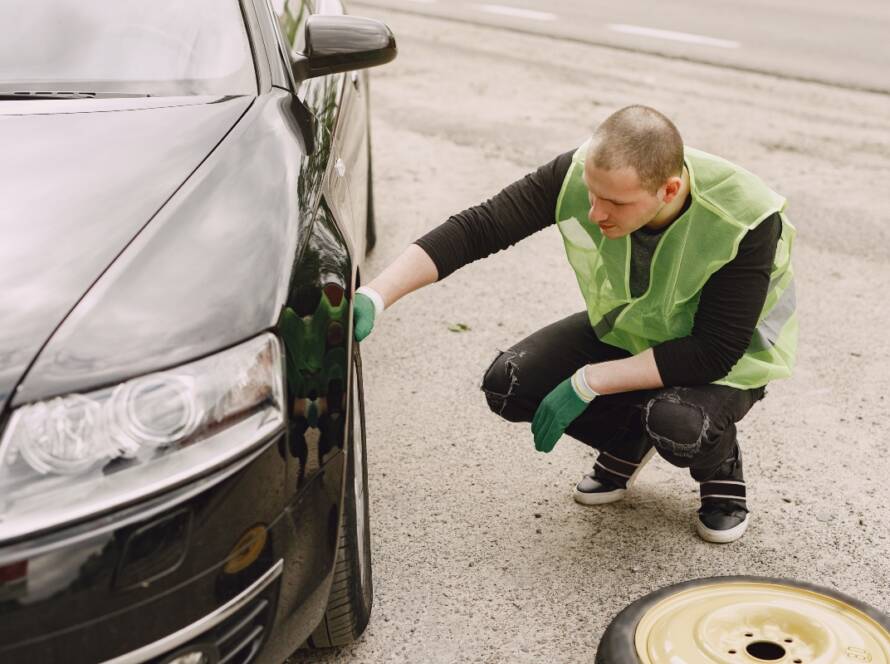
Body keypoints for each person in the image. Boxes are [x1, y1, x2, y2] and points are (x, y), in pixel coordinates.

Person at [353, 105, 796, 544]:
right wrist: (376, 295)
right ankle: (628, 443)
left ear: (669, 189)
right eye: (592, 194)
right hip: (633, 331)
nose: (596, 213)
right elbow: (479, 228)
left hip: (725, 363)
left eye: (616, 203)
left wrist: (590, 381)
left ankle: (719, 468)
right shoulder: (585, 172)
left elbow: (713, 351)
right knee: (509, 385)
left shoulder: (743, 216)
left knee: (678, 425)